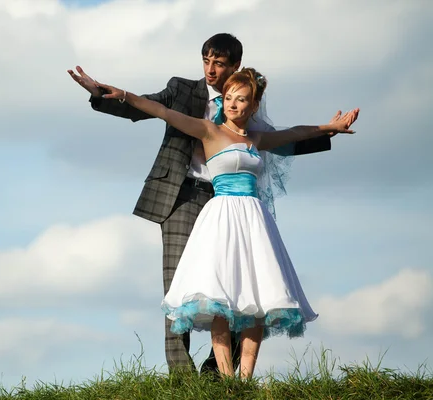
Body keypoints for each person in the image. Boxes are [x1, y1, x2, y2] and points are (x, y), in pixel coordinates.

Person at [67, 33, 334, 375]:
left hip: (233, 203)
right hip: (182, 196)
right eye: (206, 61)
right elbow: (149, 107)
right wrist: (105, 95)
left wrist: (329, 131)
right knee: (182, 286)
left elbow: (280, 138)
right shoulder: (182, 89)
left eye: (219, 63)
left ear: (235, 66)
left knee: (242, 287)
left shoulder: (245, 107)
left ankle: (217, 377)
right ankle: (181, 378)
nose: (210, 69)